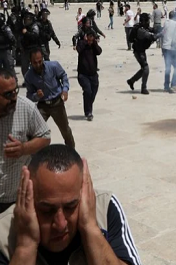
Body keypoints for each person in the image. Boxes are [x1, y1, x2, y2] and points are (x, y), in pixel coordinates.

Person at [0, 145, 142, 264]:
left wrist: (91, 229)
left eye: (70, 207)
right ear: (28, 198)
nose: (61, 225)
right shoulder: (3, 233)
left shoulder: (105, 208)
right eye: (47, 210)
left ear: (83, 192)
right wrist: (26, 245)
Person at [0, 69, 51, 213]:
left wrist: (24, 148)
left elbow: (45, 136)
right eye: (8, 94)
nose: (14, 98)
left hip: (16, 199)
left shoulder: (26, 107)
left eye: (15, 91)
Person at [24, 50, 74, 148]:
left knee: (65, 130)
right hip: (42, 106)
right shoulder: (28, 76)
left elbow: (63, 76)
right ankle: (35, 156)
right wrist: (36, 96)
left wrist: (65, 89)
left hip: (57, 103)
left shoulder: (53, 66)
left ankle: (72, 153)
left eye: (40, 61)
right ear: (30, 61)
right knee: (34, 131)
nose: (38, 64)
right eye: (35, 62)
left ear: (42, 58)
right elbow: (29, 95)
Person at [126, 13, 159, 95]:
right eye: (147, 20)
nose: (148, 22)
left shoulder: (143, 27)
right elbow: (152, 37)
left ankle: (131, 81)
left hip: (140, 50)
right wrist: (162, 33)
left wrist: (158, 29)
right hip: (138, 51)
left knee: (143, 69)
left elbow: (151, 30)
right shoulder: (140, 30)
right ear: (143, 21)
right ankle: (143, 88)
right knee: (146, 68)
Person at [76, 30, 100, 121]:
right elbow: (79, 50)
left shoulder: (93, 46)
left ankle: (88, 105)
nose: (90, 41)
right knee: (88, 91)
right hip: (83, 74)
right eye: (88, 39)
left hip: (93, 74)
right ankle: (88, 112)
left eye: (91, 39)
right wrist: (86, 43)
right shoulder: (81, 43)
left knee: (94, 91)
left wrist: (94, 44)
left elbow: (99, 52)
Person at [161, 11, 176, 93]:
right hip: (172, 48)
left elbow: (163, 33)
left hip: (165, 47)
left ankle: (166, 86)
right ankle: (173, 85)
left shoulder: (166, 23)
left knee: (167, 68)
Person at [0, 16, 15, 82]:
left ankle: (13, 82)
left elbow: (12, 39)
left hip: (6, 50)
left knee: (9, 68)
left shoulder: (6, 29)